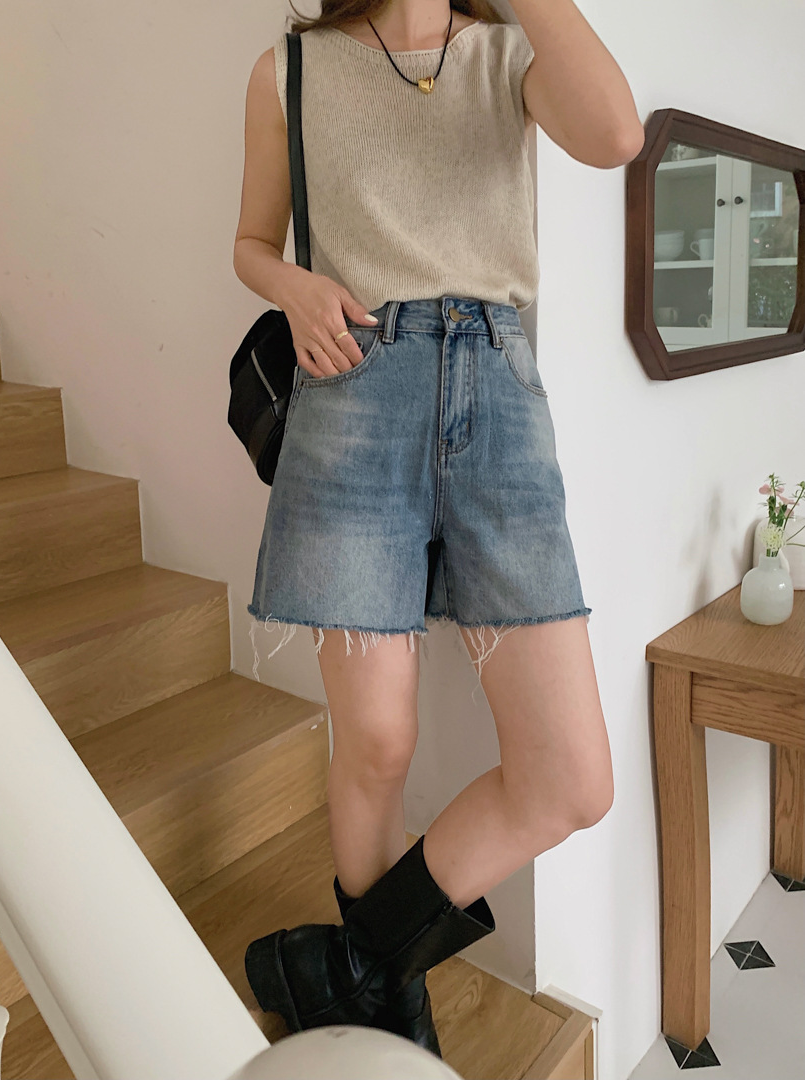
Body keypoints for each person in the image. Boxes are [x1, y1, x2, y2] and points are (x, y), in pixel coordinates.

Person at [232, 0, 643, 1058]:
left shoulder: (512, 54)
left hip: (498, 397)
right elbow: (250, 243)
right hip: (353, 387)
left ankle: (357, 966)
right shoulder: (289, 69)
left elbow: (616, 134)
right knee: (377, 740)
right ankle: (387, 997)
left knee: (572, 777)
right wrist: (293, 289)